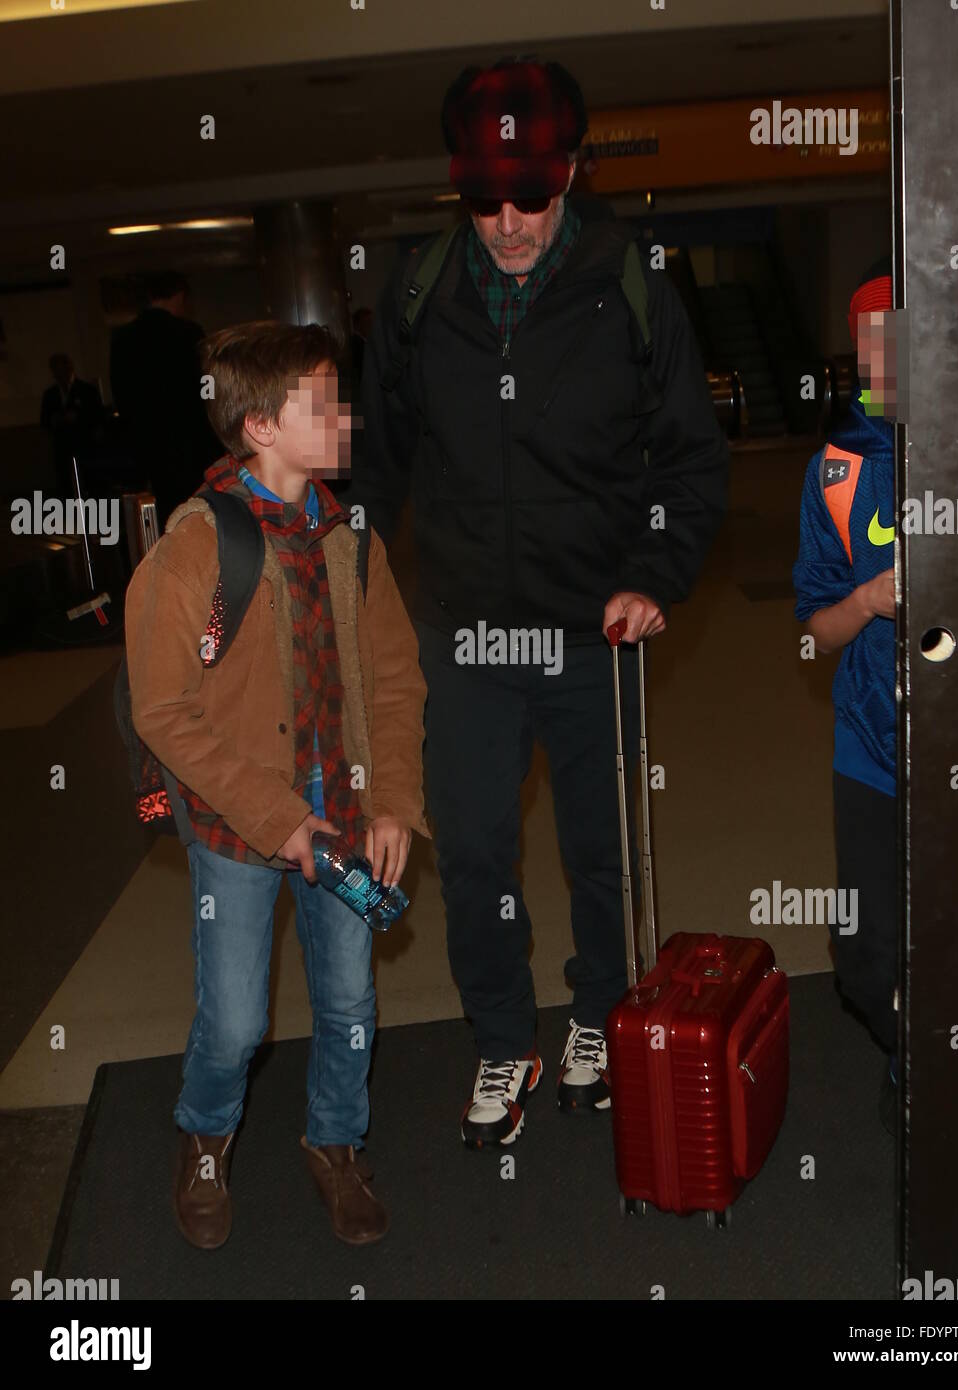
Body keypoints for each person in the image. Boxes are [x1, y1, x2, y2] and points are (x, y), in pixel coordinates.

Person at [350, 57, 729, 1148]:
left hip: (589, 626)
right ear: (455, 188)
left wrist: (653, 576)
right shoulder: (419, 294)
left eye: (529, 195)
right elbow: (380, 469)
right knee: (470, 849)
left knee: (600, 846)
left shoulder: (632, 279)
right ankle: (501, 1038)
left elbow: (689, 463)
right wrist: (358, 596)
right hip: (462, 633)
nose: (508, 222)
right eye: (483, 200)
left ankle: (601, 1010)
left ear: (570, 172)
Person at [124, 320, 429, 1247]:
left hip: (342, 809)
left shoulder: (349, 538)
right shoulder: (192, 550)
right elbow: (163, 712)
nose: (344, 414)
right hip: (236, 825)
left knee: (349, 1002)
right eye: (321, 401)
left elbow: (397, 676)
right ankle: (206, 1136)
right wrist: (279, 820)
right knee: (237, 1020)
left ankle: (335, 1143)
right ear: (259, 426)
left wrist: (394, 805)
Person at [792, 258, 899, 1133]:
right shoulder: (837, 467)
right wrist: (868, 601)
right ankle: (912, 1053)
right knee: (864, 958)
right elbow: (815, 628)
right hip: (870, 740)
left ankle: (948, 1084)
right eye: (875, 344)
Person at [110, 270, 222, 526]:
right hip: (190, 444)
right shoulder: (189, 333)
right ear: (181, 296)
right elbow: (206, 389)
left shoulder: (123, 339)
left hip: (149, 447)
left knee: (161, 515)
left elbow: (122, 398)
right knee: (198, 512)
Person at [39, 353, 104, 493]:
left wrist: (78, 418)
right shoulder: (50, 395)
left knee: (90, 486)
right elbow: (44, 421)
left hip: (84, 447)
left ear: (69, 368)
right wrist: (55, 420)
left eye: (60, 370)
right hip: (62, 449)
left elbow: (98, 417)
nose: (58, 374)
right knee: (67, 488)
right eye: (55, 371)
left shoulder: (87, 391)